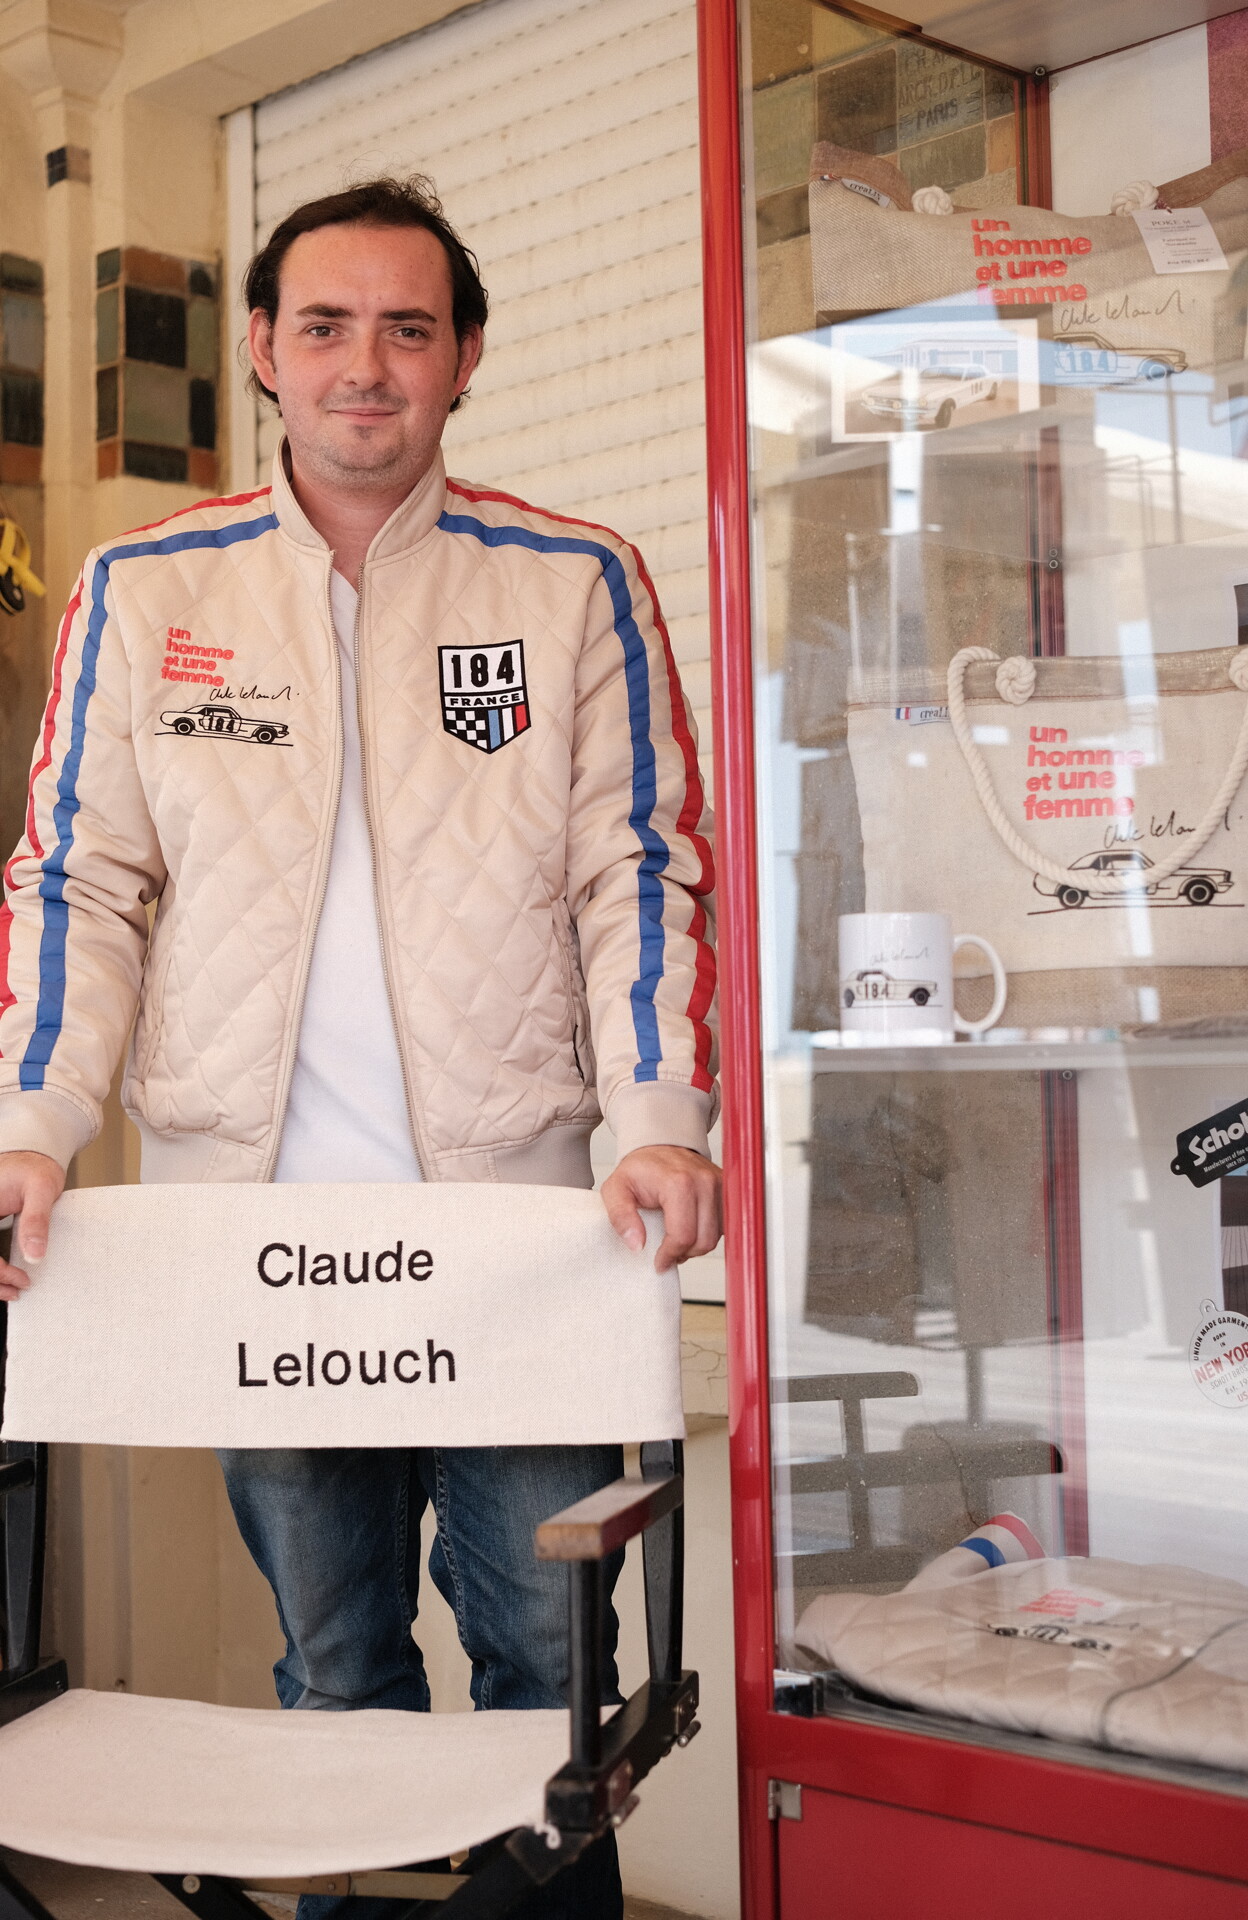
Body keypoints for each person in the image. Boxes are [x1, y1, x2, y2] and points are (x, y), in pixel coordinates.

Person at [0, 176, 719, 1919]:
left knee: (552, 1689)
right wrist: (29, 1126)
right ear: (262, 350)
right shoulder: (143, 587)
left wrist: (657, 1114)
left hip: (524, 1250)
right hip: (263, 1255)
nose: (366, 366)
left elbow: (640, 866)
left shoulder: (575, 582)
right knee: (333, 1676)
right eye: (325, 325)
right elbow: (74, 879)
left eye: (410, 327)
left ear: (465, 356)